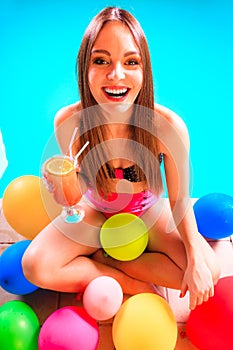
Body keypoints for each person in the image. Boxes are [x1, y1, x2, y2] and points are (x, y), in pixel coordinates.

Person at [22, 6, 220, 310]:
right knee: (35, 266)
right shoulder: (69, 122)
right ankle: (128, 282)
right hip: (96, 214)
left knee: (209, 270)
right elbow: (75, 194)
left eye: (131, 62)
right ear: (84, 67)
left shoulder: (167, 127)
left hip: (148, 216)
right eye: (101, 61)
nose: (116, 75)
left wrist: (194, 257)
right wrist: (64, 192)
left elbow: (180, 202)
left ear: (144, 70)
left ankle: (111, 261)